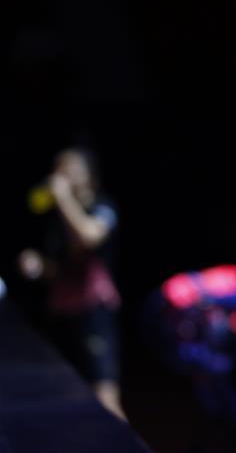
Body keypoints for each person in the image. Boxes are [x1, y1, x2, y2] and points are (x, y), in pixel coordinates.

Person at [18, 146, 126, 420]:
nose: (61, 174)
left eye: (70, 168)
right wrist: (39, 266)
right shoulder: (55, 219)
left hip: (93, 313)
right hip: (60, 313)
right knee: (62, 397)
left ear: (89, 176)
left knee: (105, 398)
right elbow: (59, 270)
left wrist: (64, 197)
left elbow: (89, 237)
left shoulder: (102, 206)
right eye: (58, 168)